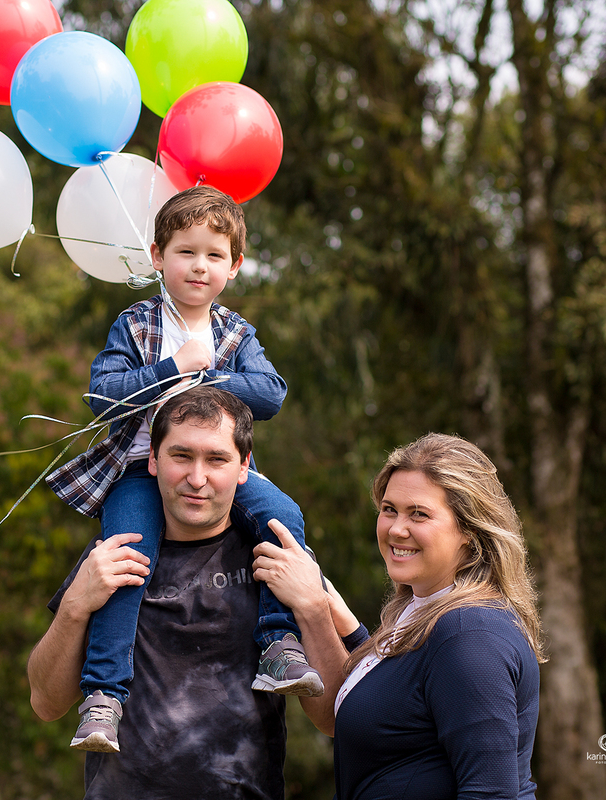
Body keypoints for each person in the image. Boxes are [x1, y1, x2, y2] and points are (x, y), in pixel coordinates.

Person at [45, 185, 322, 754]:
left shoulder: (235, 333)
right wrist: (171, 368)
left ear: (235, 266)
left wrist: (210, 378)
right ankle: (104, 696)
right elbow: (103, 396)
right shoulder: (136, 323)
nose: (200, 266)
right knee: (126, 556)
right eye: (185, 252)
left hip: (220, 471)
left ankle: (278, 641)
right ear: (156, 257)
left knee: (282, 516)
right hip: (141, 471)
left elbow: (270, 392)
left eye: (215, 255)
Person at [29, 386, 345, 798]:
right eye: (182, 456)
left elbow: (333, 720)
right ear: (154, 460)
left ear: (244, 465)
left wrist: (315, 608)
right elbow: (47, 704)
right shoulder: (114, 554)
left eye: (216, 459)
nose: (197, 479)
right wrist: (74, 606)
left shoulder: (278, 555)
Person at [253, 432, 545, 799]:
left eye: (418, 514)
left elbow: (491, 794)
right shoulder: (421, 611)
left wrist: (313, 608)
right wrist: (333, 616)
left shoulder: (469, 633)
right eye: (389, 509)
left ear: (469, 531)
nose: (396, 529)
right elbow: (370, 709)